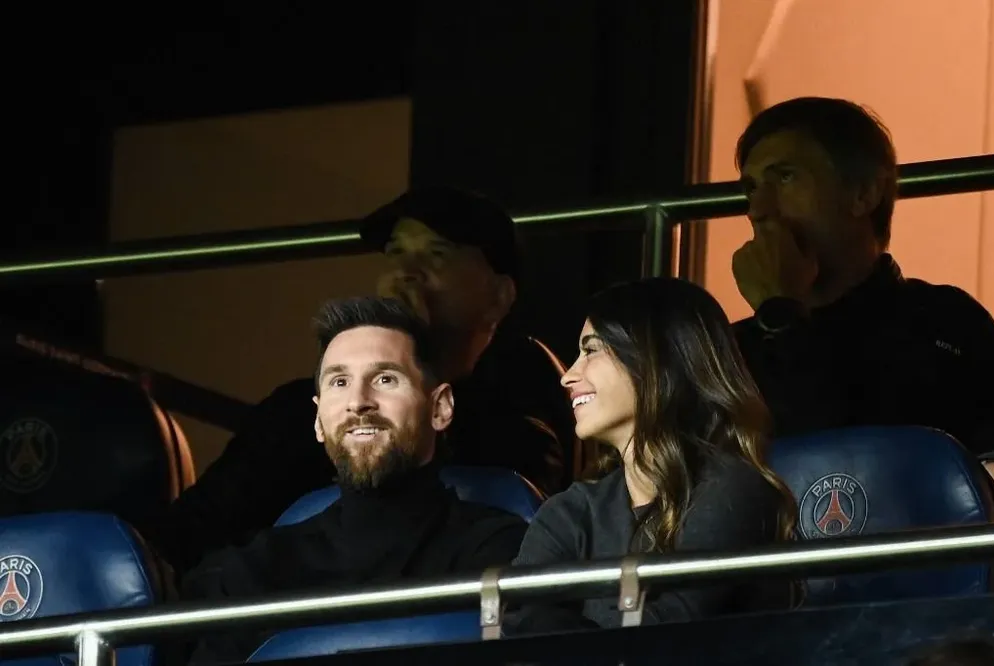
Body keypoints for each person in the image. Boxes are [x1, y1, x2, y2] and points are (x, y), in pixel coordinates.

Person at [145, 187, 574, 574]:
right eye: (395, 254)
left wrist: (419, 366)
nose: (406, 272)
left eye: (437, 255)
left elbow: (510, 501)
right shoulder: (296, 410)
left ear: (499, 295)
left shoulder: (524, 394)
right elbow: (197, 529)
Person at [176, 296, 529, 664]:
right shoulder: (255, 572)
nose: (358, 402)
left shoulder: (498, 553)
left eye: (385, 379)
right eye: (340, 381)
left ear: (440, 408)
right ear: (317, 421)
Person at [504, 278, 798, 635]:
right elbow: (518, 619)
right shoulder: (573, 510)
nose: (568, 376)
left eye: (591, 350)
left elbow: (667, 632)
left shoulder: (734, 489)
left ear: (654, 359)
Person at [730, 96, 994, 483]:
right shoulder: (735, 348)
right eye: (751, 189)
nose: (758, 209)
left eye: (785, 177)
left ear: (863, 194)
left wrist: (783, 315)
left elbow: (851, 471)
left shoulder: (944, 324)